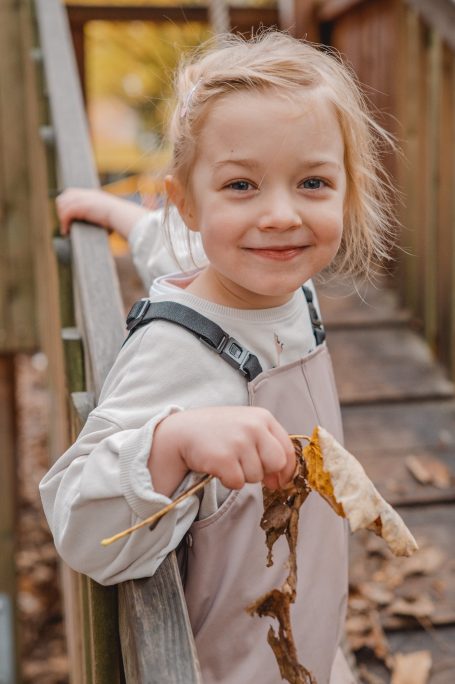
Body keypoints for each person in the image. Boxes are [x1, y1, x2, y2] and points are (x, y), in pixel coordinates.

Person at [40, 31, 395, 684]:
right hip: (231, 663)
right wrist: (173, 439)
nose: (281, 215)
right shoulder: (177, 354)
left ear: (346, 190)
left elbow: (174, 248)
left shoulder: (279, 278)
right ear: (188, 203)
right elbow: (76, 524)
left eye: (312, 181)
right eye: (241, 185)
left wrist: (121, 216)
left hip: (299, 629)